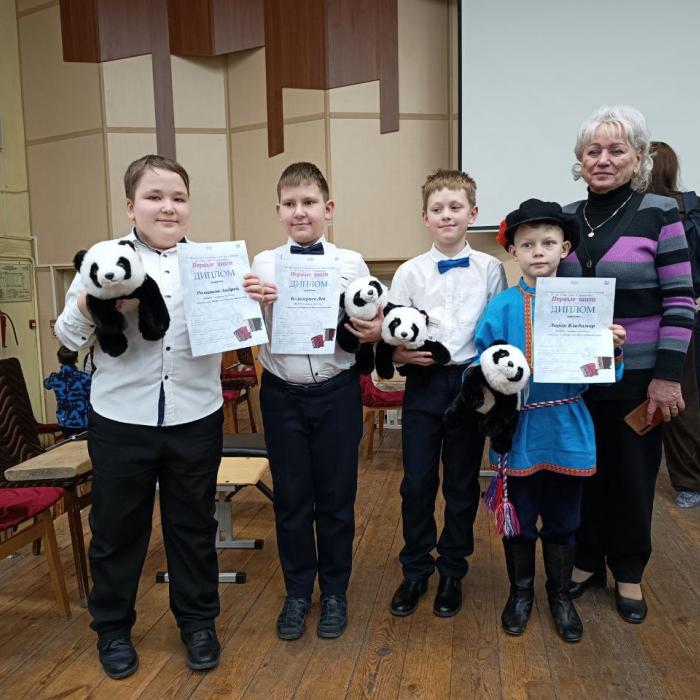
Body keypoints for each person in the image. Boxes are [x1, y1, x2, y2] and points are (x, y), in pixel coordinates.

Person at [54, 155, 223, 679]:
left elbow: (238, 331)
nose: (167, 207)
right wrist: (90, 305)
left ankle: (198, 623)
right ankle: (112, 629)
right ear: (131, 206)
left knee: (194, 526)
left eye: (178, 198)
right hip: (121, 417)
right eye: (154, 197)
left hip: (196, 414)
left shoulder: (213, 264)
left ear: (189, 205)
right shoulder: (102, 260)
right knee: (116, 529)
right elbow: (67, 338)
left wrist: (253, 302)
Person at [559, 106, 695, 623]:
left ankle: (630, 570)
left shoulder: (660, 213)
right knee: (583, 473)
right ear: (580, 159)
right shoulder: (567, 216)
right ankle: (587, 561)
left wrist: (666, 377)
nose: (603, 159)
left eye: (616, 150)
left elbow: (680, 302)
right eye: (593, 150)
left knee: (633, 478)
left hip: (638, 378)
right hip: (577, 377)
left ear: (638, 158)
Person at [476, 199, 625, 642]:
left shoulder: (587, 302)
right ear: (513, 252)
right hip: (519, 428)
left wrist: (612, 348)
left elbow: (605, 374)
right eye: (527, 244)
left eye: (547, 242)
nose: (537, 251)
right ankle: (520, 593)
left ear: (565, 248)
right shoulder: (502, 306)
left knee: (564, 518)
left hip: (566, 425)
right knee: (520, 518)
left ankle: (559, 596)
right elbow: (481, 363)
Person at [243, 162, 377, 641]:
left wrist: (371, 326)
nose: (300, 212)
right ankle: (298, 592)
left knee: (337, 498)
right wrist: (252, 303)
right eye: (290, 204)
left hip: (337, 392)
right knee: (292, 499)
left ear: (328, 208)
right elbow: (244, 327)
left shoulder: (351, 263)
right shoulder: (261, 264)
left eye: (310, 202)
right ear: (278, 210)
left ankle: (335, 591)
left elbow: (370, 325)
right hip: (281, 394)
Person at [387, 169, 507, 618]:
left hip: (468, 385)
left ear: (473, 213)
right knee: (416, 483)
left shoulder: (491, 269)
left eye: (456, 207)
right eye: (437, 209)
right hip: (424, 384)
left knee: (461, 483)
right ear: (425, 217)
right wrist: (399, 355)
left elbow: (497, 330)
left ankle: (453, 569)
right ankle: (415, 568)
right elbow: (392, 335)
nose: (447, 215)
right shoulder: (409, 272)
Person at [647, 141, 700, 509]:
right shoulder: (690, 208)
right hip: (687, 315)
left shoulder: (659, 213)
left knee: (678, 400)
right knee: (686, 399)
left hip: (670, 319)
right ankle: (688, 482)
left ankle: (688, 483)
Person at [43, 345, 91, 438]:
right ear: (76, 359)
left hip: (64, 421)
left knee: (68, 443)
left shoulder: (54, 378)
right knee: (83, 444)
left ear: (59, 360)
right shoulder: (85, 377)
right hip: (83, 420)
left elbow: (46, 385)